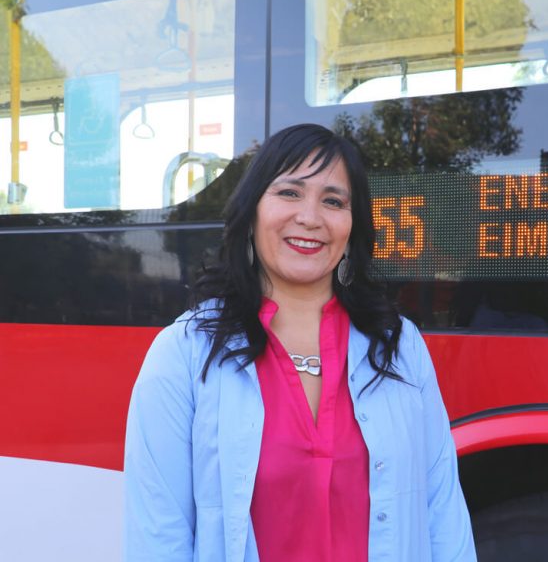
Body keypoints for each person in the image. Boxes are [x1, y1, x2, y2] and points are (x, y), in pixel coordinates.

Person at [123, 124, 477, 562]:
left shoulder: (400, 348)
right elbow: (158, 536)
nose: (311, 217)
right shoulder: (184, 353)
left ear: (352, 225)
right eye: (289, 192)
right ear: (251, 211)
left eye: (333, 201)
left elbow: (443, 511)